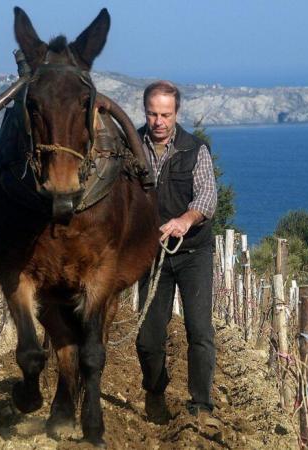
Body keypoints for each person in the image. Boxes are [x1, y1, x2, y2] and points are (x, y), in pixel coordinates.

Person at [135, 80, 218, 424]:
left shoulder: (194, 149)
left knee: (199, 331)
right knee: (147, 338)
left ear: (176, 113)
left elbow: (207, 197)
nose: (158, 121)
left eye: (165, 115)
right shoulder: (131, 148)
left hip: (193, 252)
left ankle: (200, 407)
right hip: (150, 256)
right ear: (146, 112)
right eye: (153, 114)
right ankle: (155, 391)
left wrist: (185, 220)